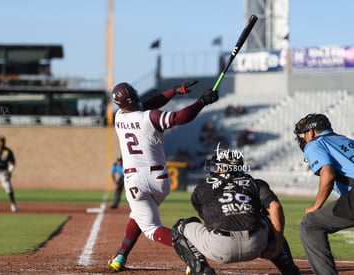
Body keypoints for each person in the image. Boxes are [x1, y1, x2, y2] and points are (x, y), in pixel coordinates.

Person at [107, 80, 219, 272]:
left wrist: (173, 91)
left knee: (150, 228)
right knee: (138, 215)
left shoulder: (118, 117)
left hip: (135, 182)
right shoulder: (150, 117)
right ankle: (120, 255)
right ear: (134, 97)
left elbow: (147, 104)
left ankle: (191, 252)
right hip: (159, 180)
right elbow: (180, 117)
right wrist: (201, 102)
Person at [171, 147, 301, 275]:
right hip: (255, 244)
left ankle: (201, 270)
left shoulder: (202, 188)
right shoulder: (255, 183)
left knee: (180, 227)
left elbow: (207, 218)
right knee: (269, 221)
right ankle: (290, 270)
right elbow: (275, 207)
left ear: (221, 167)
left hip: (219, 247)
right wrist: (277, 243)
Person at [294, 113, 354, 275]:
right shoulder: (347, 141)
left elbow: (328, 175)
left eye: (303, 134)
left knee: (310, 225)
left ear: (311, 132)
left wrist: (316, 206)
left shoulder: (314, 144)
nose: (303, 138)